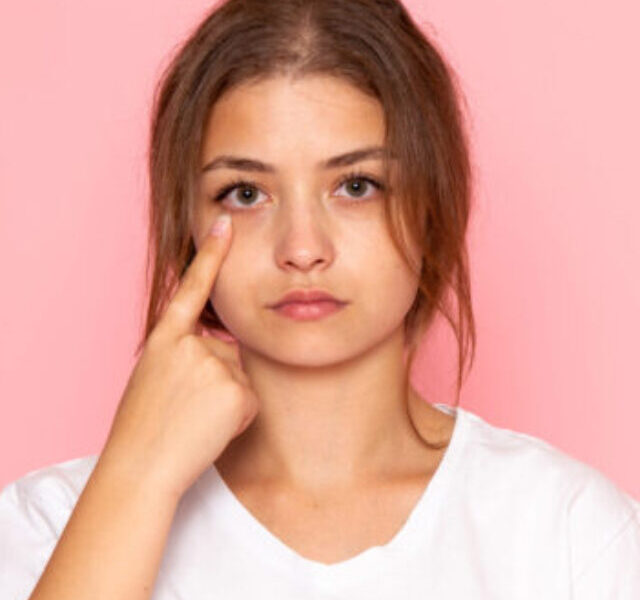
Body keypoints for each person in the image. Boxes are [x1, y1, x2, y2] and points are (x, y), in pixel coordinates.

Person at [1, 0, 639, 598]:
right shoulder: (53, 524)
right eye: (246, 193)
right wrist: (137, 479)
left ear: (433, 205)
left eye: (357, 185)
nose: (302, 249)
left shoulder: (567, 532)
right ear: (186, 224)